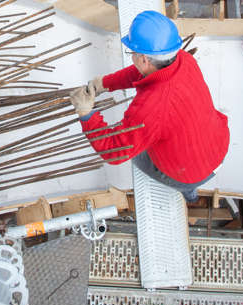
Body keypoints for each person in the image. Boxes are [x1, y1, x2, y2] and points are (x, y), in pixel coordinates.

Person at [69, 10, 229, 201]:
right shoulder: (184, 60)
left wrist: (86, 114)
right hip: (217, 146)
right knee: (166, 136)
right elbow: (144, 72)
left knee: (138, 156)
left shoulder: (153, 108)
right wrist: (105, 83)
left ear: (144, 59)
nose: (133, 58)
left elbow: (114, 151)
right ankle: (190, 190)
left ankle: (188, 189)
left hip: (188, 173)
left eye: (133, 53)